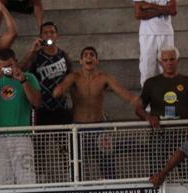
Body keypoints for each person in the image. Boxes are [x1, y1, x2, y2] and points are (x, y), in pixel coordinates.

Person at [52, 47, 138, 179]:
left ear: (96, 60)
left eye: (92, 55)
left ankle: (110, 189)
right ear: (81, 61)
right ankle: (77, 190)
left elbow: (122, 92)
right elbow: (57, 92)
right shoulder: (74, 77)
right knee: (77, 163)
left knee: (107, 162)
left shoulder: (104, 77)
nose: (89, 57)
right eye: (85, 55)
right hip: (78, 127)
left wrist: (134, 100)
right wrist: (60, 89)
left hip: (99, 127)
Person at [0, 48, 41, 185]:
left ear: (16, 62)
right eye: (3, 67)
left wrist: (23, 81)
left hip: (22, 136)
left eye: (10, 66)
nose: (7, 69)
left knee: (26, 179)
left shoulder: (29, 77)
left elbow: (37, 102)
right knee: (0, 181)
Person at [136, 46, 188, 134]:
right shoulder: (150, 83)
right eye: (165, 60)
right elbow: (138, 108)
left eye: (172, 59)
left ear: (177, 60)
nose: (169, 63)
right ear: (160, 62)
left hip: (183, 134)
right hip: (158, 135)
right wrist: (148, 117)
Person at [19, 22, 72, 126]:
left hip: (61, 107)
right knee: (41, 141)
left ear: (57, 35)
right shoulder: (35, 55)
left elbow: (71, 77)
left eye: (52, 32)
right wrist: (32, 52)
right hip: (41, 109)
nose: (49, 35)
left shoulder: (63, 55)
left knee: (64, 141)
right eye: (46, 33)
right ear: (41, 36)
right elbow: (20, 70)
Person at [132, 0, 177, 86]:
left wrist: (149, 6)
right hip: (147, 33)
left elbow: (172, 10)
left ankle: (168, 96)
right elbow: (138, 14)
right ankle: (147, 96)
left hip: (166, 32)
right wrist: (163, 10)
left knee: (168, 67)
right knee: (146, 69)